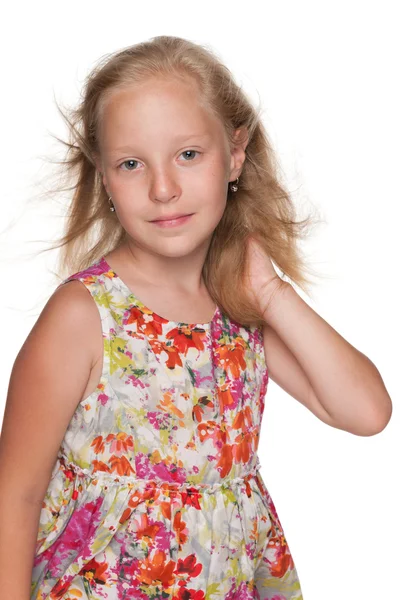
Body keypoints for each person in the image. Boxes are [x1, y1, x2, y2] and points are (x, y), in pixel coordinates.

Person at [0, 35, 392, 600]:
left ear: (235, 154)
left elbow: (367, 411)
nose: (163, 189)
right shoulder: (83, 315)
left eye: (188, 154)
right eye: (132, 164)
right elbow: (16, 495)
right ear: (104, 176)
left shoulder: (239, 307)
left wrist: (271, 290)